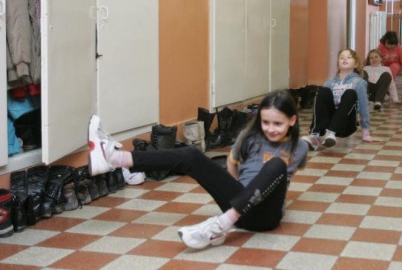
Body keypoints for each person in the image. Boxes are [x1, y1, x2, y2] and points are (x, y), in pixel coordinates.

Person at [88, 89, 308, 250]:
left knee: (277, 165)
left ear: (292, 120)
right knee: (192, 155)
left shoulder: (299, 147)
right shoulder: (251, 138)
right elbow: (232, 164)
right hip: (239, 207)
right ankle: (114, 158)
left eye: (277, 124)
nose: (270, 129)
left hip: (265, 217)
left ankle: (218, 226)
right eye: (266, 122)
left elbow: (283, 179)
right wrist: (233, 189)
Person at [301, 48, 372, 150]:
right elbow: (320, 108)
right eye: (341, 58)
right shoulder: (329, 83)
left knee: (350, 93)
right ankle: (314, 136)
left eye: (349, 57)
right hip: (327, 123)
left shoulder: (359, 82)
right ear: (338, 64)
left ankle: (331, 132)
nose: (345, 59)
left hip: (346, 125)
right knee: (323, 91)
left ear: (356, 64)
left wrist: (366, 132)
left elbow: (364, 107)